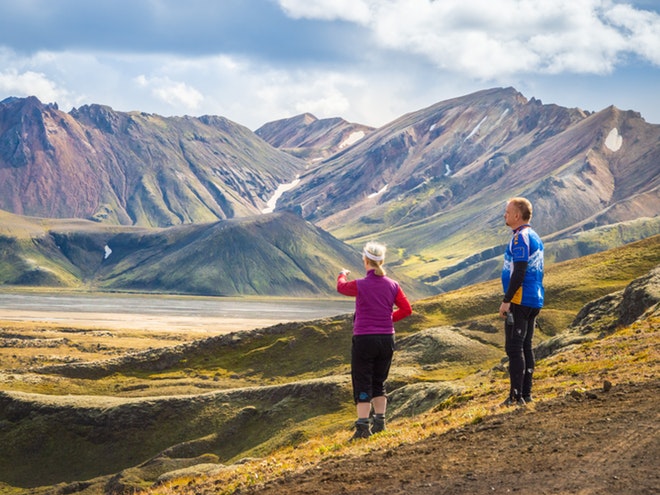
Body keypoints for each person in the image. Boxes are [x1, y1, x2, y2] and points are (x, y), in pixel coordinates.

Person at [337, 241, 412, 440]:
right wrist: (388, 319)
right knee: (380, 381)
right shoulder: (393, 285)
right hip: (387, 338)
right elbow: (407, 310)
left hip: (364, 339)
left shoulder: (361, 285)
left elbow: (341, 288)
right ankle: (380, 422)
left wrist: (342, 273)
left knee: (363, 381)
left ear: (366, 260)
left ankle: (362, 428)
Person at [498, 197, 544, 406]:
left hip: (521, 299)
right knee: (526, 346)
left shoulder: (520, 238)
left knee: (514, 348)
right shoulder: (533, 235)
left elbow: (520, 270)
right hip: (534, 298)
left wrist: (507, 300)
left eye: (508, 212)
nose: (505, 215)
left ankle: (516, 396)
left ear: (517, 215)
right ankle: (526, 394)